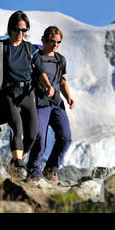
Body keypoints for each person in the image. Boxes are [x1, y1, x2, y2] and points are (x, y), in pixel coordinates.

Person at [0, 11, 54, 175]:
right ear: (10, 29)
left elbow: (40, 70)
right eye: (17, 30)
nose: (21, 33)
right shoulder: (1, 48)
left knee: (33, 134)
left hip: (27, 93)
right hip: (8, 93)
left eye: (24, 30)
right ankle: (19, 166)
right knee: (17, 128)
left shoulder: (29, 48)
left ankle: (14, 163)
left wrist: (48, 85)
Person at [26, 26, 75, 182]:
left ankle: (51, 169)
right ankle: (33, 171)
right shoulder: (36, 58)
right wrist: (47, 86)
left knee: (65, 137)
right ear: (44, 40)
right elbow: (40, 76)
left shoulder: (61, 60)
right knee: (39, 136)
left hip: (56, 103)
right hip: (39, 102)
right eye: (52, 41)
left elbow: (62, 81)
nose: (55, 45)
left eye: (58, 42)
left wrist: (68, 97)